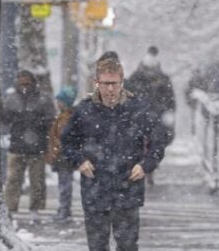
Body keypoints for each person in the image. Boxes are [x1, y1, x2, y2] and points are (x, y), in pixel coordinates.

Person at [61, 52, 167, 251]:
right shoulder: (84, 110)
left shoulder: (138, 109)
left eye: (114, 83)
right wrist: (80, 160)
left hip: (127, 186)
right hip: (95, 187)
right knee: (97, 246)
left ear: (122, 82)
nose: (110, 89)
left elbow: (158, 142)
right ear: (97, 83)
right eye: (105, 83)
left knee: (127, 245)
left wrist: (145, 165)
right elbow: (67, 142)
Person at [2, 70, 56, 216]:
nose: (24, 87)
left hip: (37, 146)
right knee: (13, 179)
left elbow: (51, 120)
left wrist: (37, 122)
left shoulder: (43, 99)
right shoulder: (11, 99)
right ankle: (10, 207)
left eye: (27, 83)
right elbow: (5, 119)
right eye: (21, 84)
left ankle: (35, 208)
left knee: (37, 180)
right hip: (16, 146)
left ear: (33, 84)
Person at [125, 45, 176, 185]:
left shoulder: (135, 78)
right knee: (155, 143)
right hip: (152, 116)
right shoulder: (162, 79)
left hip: (144, 116)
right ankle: (148, 168)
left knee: (143, 142)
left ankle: (143, 168)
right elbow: (170, 99)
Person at [45, 85, 78, 222]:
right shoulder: (65, 116)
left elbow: (62, 138)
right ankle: (64, 209)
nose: (57, 103)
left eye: (59, 100)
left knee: (64, 185)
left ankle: (64, 210)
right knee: (64, 184)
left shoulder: (66, 118)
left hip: (63, 156)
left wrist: (56, 150)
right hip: (63, 155)